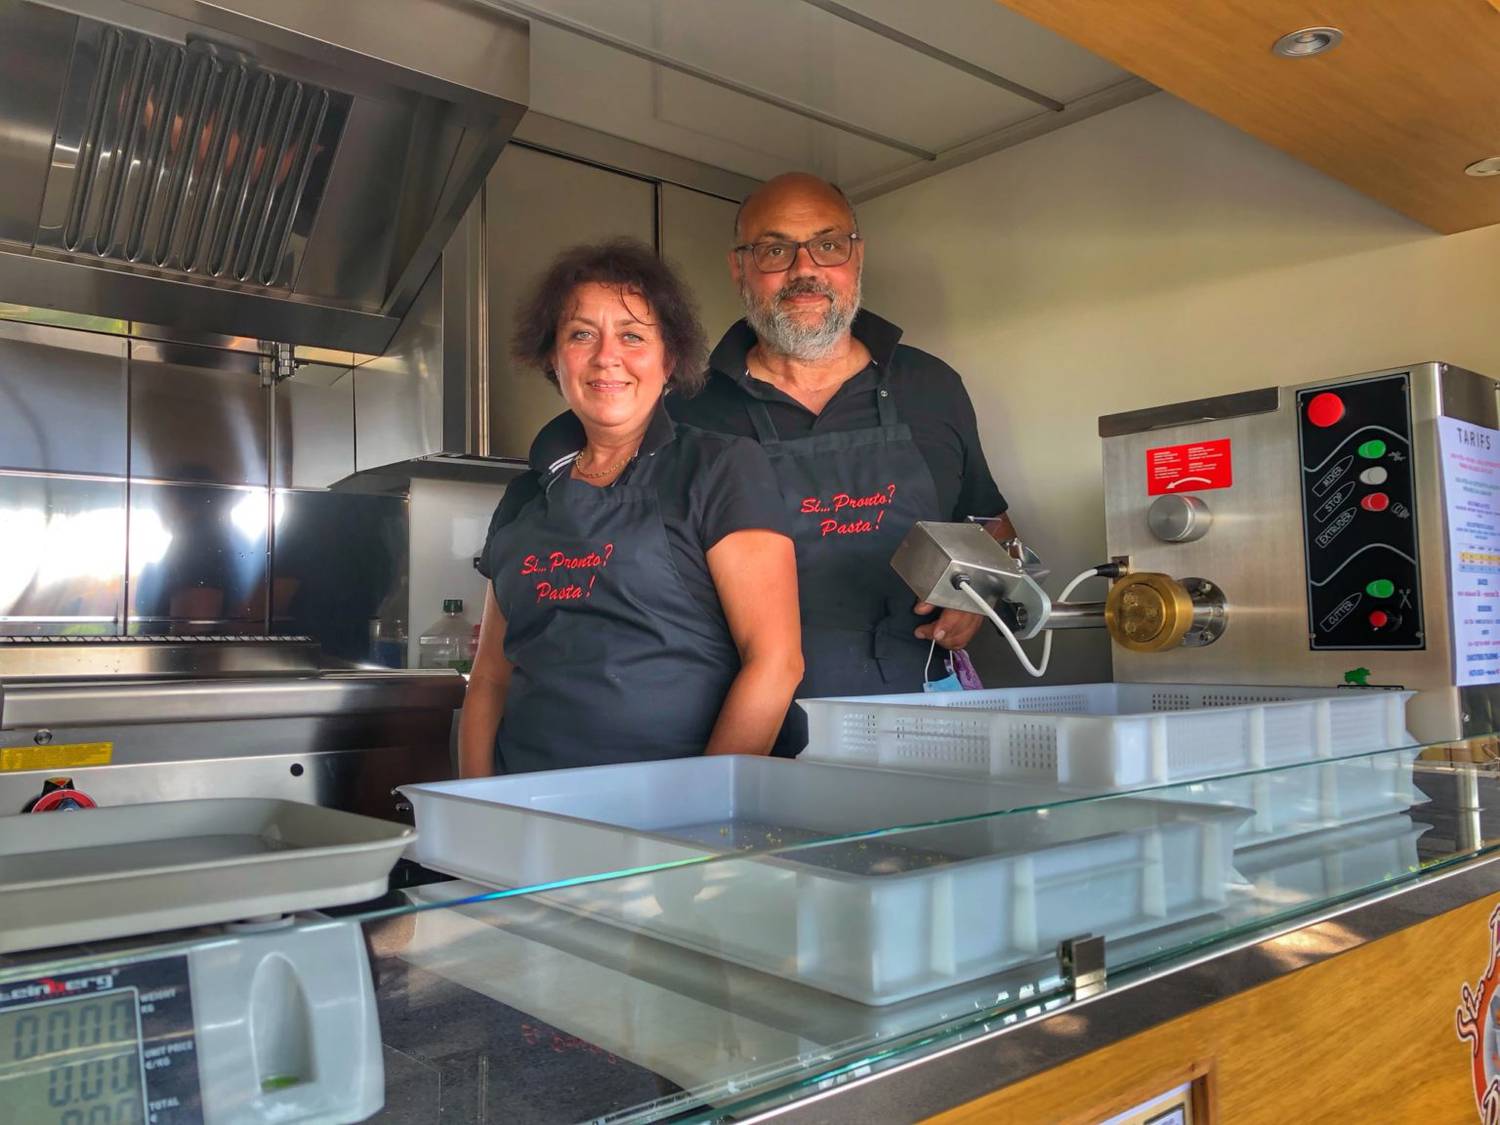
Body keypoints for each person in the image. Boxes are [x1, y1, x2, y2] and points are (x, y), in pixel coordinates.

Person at [668, 172, 1017, 754]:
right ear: (739, 267)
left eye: (828, 245)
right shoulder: (686, 411)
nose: (804, 270)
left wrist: (977, 592)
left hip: (920, 732)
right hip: (738, 734)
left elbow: (991, 526)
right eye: (775, 249)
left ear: (857, 256)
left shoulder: (932, 386)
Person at [458, 239, 802, 776]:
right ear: (554, 357)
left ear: (669, 359)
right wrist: (471, 811)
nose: (606, 356)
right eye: (581, 334)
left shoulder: (721, 468)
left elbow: (775, 663)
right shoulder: (523, 496)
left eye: (633, 335)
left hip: (670, 818)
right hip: (527, 806)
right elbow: (490, 680)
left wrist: (700, 818)